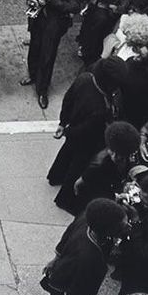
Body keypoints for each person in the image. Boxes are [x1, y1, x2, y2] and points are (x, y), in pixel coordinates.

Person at [47, 58, 127, 199]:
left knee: (66, 153)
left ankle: (55, 176)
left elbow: (68, 100)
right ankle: (65, 197)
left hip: (73, 128)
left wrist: (63, 123)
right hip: (88, 139)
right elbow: (86, 129)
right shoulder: (101, 108)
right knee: (77, 166)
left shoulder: (84, 78)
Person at [42, 198, 128, 295]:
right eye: (122, 226)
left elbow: (67, 235)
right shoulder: (91, 257)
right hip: (69, 294)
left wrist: (55, 259)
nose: (126, 228)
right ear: (108, 230)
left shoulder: (85, 218)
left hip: (62, 270)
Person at [20, 0, 83, 108]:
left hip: (55, 23)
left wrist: (52, 1)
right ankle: (33, 75)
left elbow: (75, 7)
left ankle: (42, 90)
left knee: (47, 55)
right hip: (38, 19)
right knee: (34, 49)